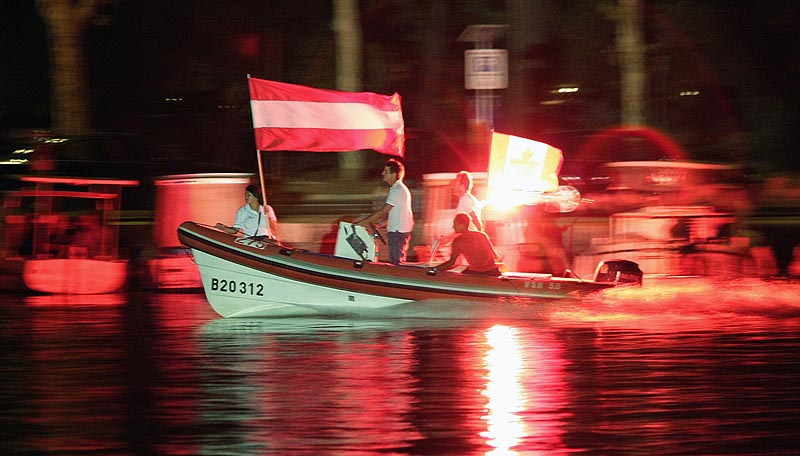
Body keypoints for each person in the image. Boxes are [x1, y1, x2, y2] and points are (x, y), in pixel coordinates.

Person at [358, 158, 414, 265]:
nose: (382, 173)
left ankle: (398, 278)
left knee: (396, 262)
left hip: (397, 233)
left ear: (393, 174)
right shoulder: (400, 189)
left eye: (386, 171)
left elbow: (383, 211)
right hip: (400, 230)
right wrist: (381, 224)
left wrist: (361, 223)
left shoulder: (397, 190)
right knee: (398, 261)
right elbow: (399, 214)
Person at [430, 212, 501, 277]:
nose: (453, 227)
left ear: (462, 225)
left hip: (478, 273)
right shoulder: (482, 235)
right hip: (494, 272)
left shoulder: (458, 241)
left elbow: (452, 262)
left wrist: (435, 269)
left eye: (455, 224)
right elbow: (495, 256)